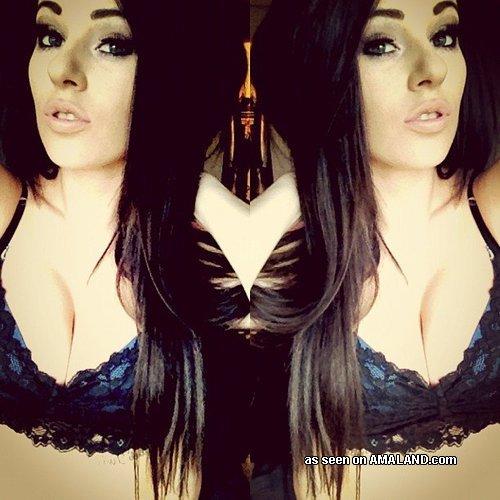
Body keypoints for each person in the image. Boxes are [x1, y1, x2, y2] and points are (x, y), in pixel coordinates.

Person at [251, 0, 499, 498]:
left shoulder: (491, 206)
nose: (432, 70)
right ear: (321, 69)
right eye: (381, 45)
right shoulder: (280, 254)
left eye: (444, 36)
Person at [0, 0, 246, 498]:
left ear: (171, 72)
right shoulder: (6, 207)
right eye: (50, 37)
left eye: (112, 45)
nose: (62, 70)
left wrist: (188, 187)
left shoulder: (208, 254)